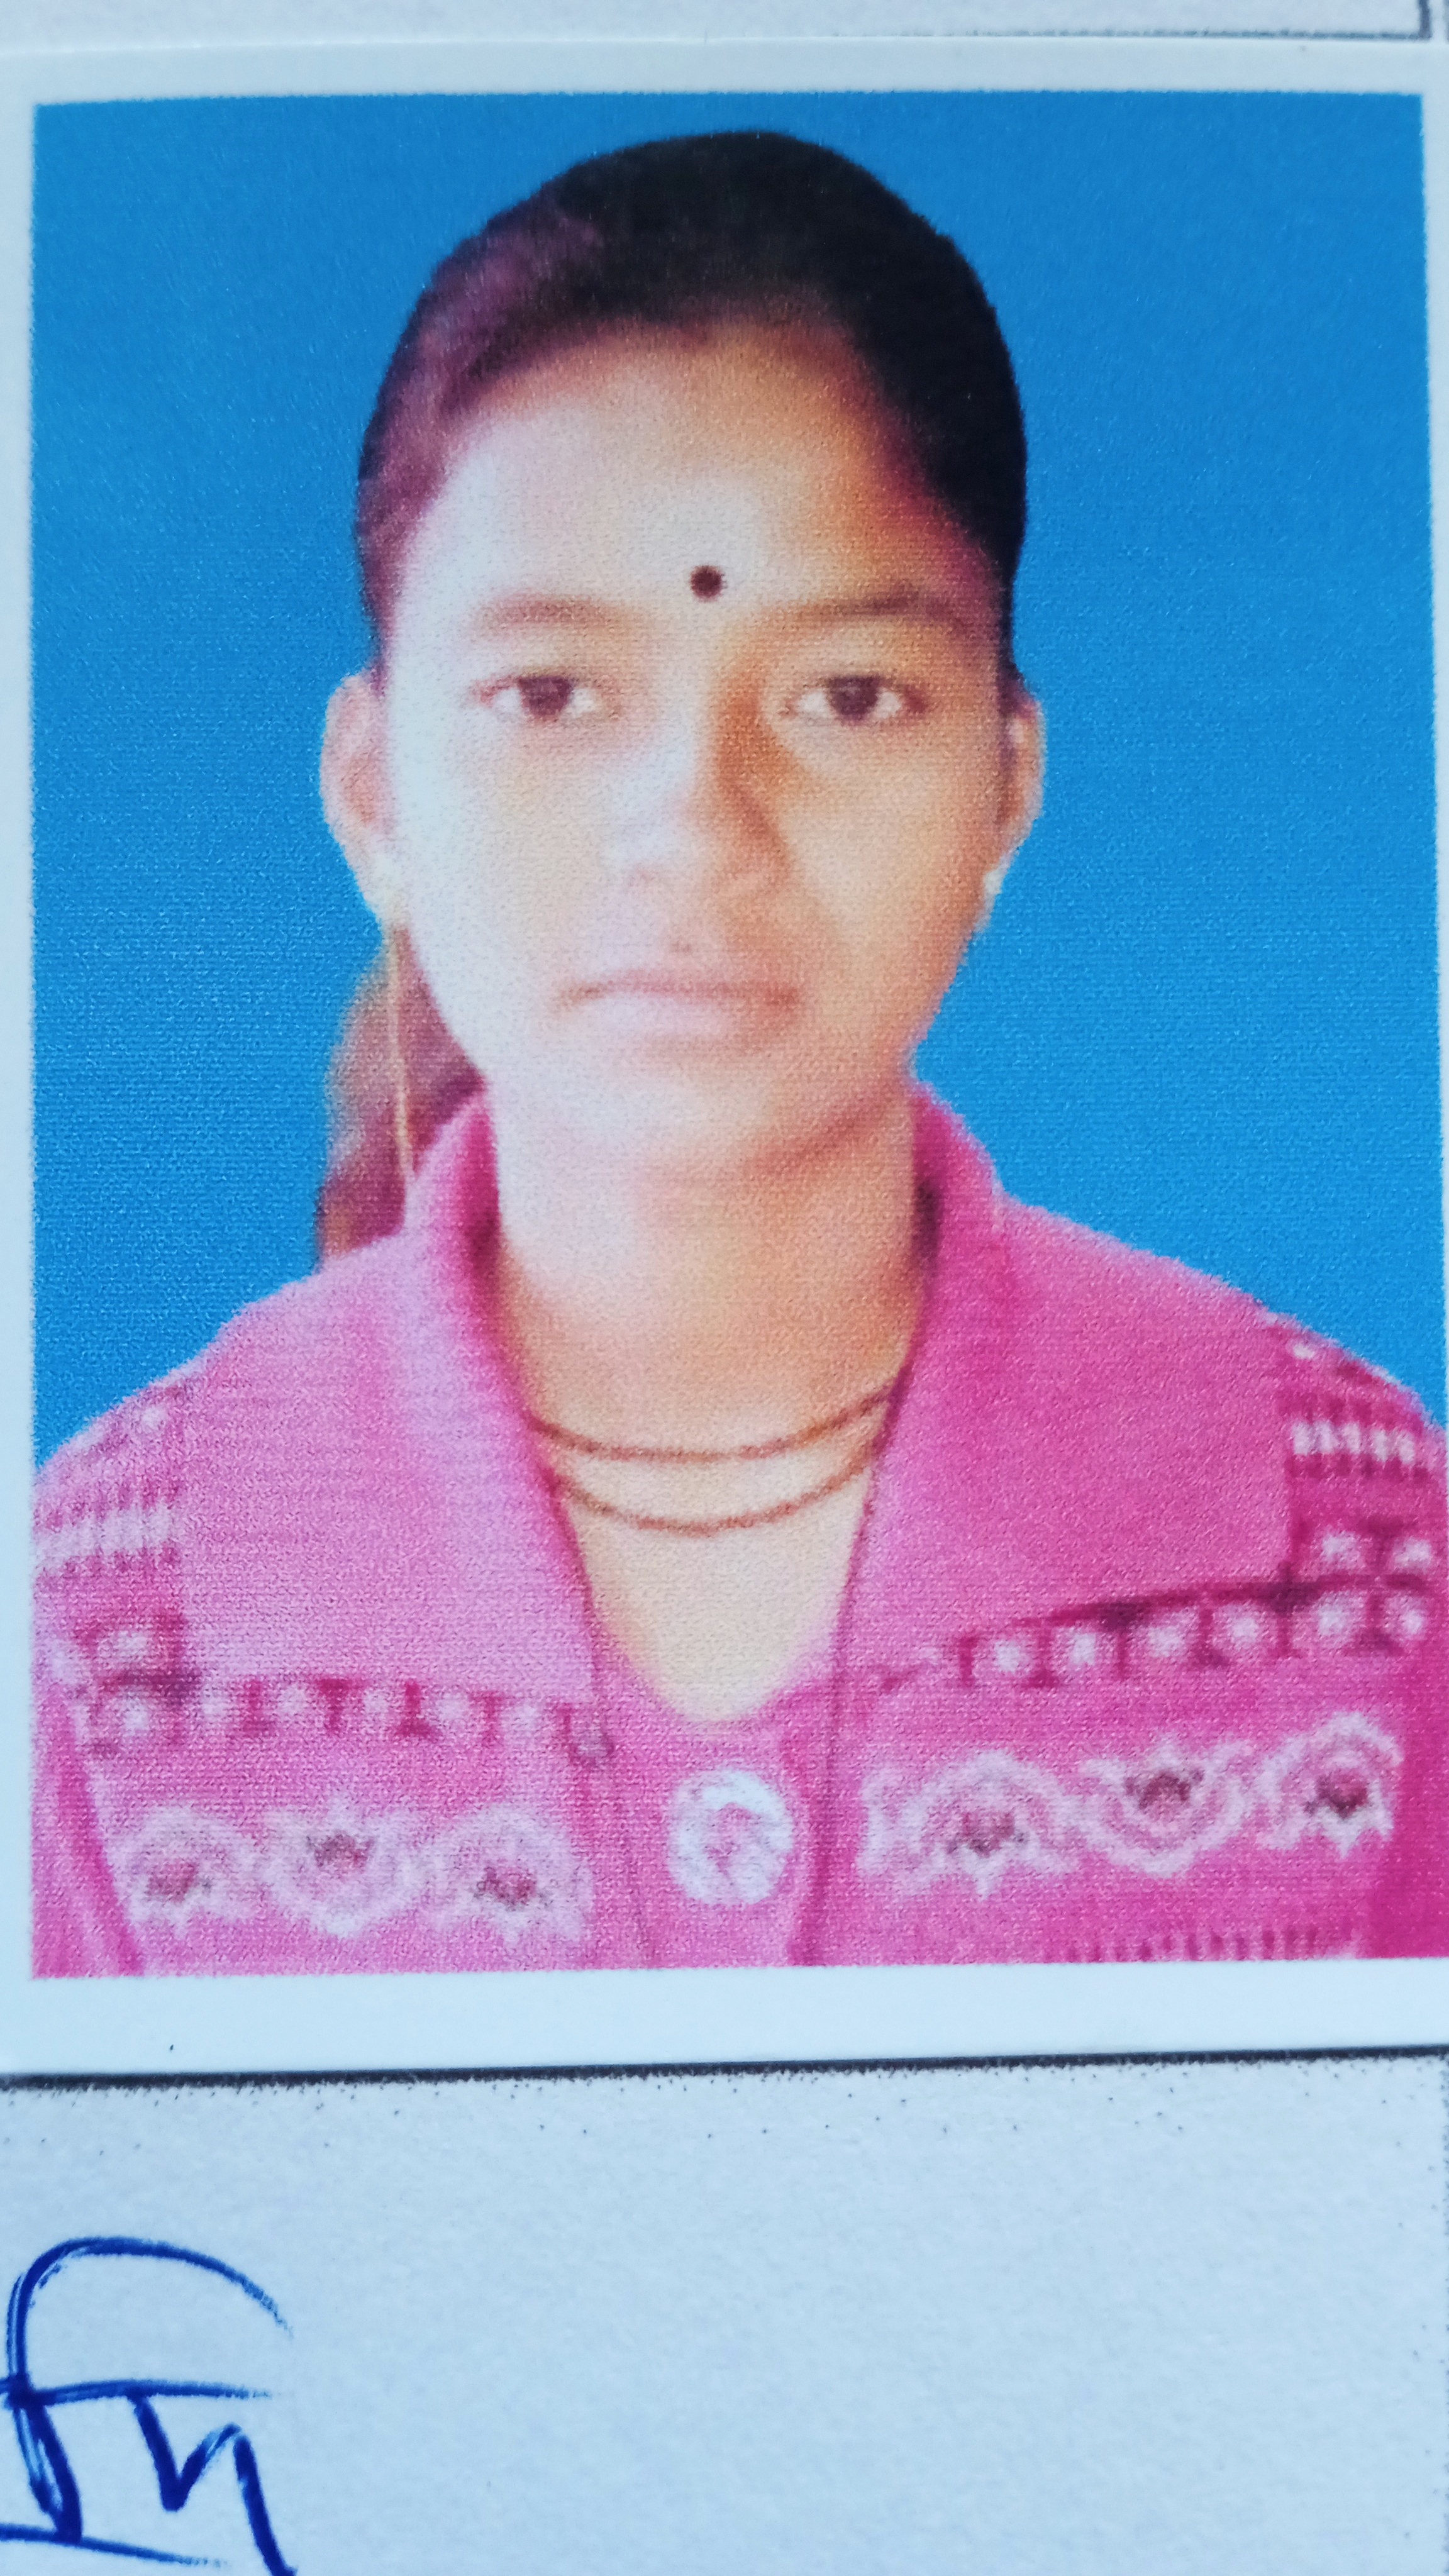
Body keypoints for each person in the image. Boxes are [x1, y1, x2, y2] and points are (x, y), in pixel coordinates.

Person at [33, 131, 1446, 1977]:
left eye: (846, 696)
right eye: (552, 695)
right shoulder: (109, 1613)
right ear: (373, 797)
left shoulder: (1355, 1540)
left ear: (1006, 785)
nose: (695, 831)